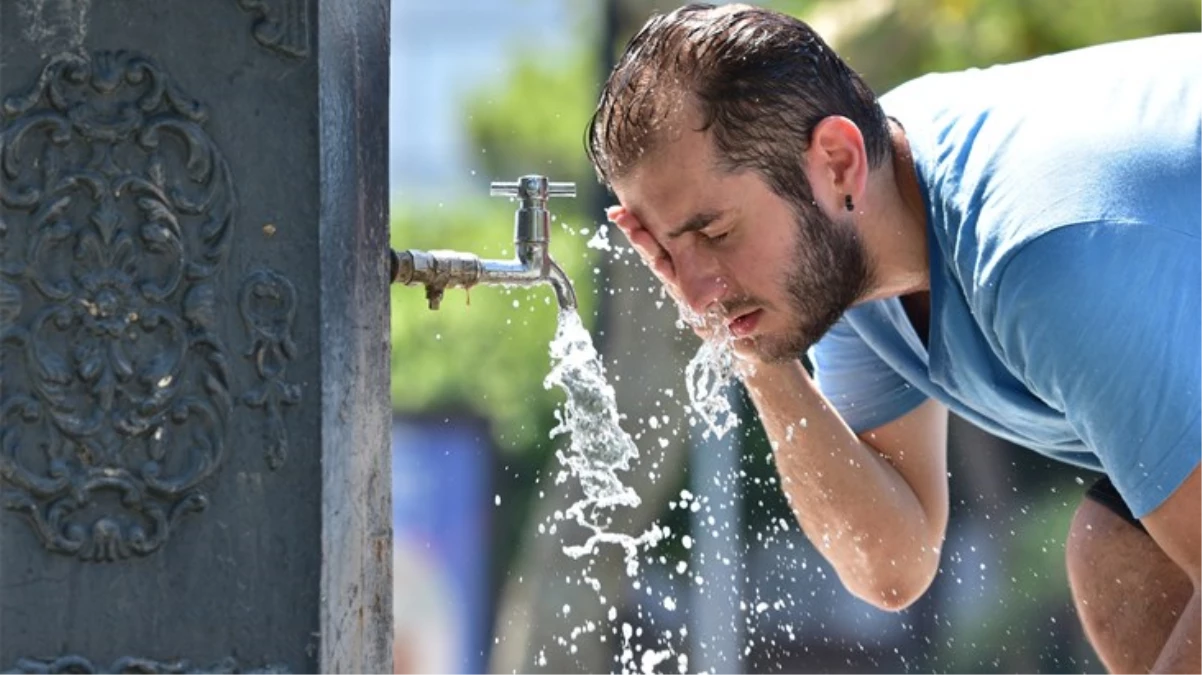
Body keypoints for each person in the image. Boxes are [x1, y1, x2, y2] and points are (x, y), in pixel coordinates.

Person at [585, 3, 1202, 673]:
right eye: (670, 254)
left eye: (715, 233)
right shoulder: (852, 243)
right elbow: (891, 562)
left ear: (839, 161)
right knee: (1120, 556)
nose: (697, 291)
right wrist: (754, 350)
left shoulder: (1040, 257)